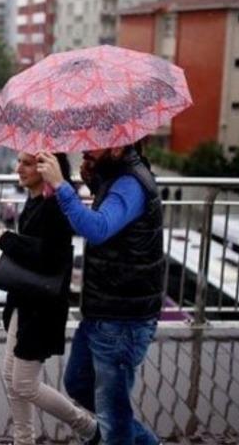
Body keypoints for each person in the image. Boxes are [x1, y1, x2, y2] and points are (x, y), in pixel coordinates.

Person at [36, 145, 165, 445]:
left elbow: (99, 228)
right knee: (79, 382)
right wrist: (95, 182)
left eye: (94, 145)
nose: (86, 150)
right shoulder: (117, 177)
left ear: (117, 146)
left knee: (112, 420)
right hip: (104, 311)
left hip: (122, 321)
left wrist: (60, 185)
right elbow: (113, 222)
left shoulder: (131, 184)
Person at [0, 152, 98, 445]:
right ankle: (23, 439)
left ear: (46, 168)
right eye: (19, 161)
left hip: (41, 309)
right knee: (10, 375)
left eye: (27, 163)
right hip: (24, 301)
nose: (19, 168)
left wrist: (7, 240)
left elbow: (49, 258)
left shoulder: (56, 206)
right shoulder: (36, 199)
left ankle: (89, 428)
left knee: (25, 384)